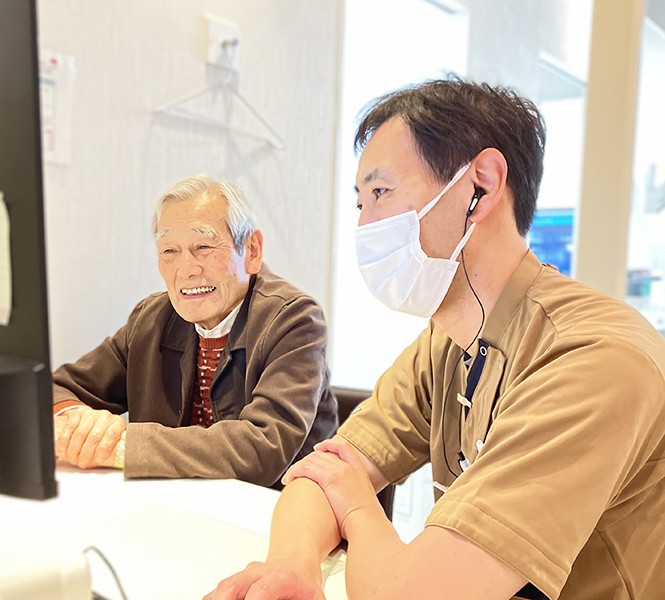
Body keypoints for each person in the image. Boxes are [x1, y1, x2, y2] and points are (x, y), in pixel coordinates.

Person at [206, 78, 665, 600]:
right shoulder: (448, 341)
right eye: (360, 203)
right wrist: (292, 566)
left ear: (481, 187)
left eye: (380, 193)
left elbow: (409, 593)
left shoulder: (594, 360)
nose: (365, 224)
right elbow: (324, 472)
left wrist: (358, 508)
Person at [52, 175, 337, 487]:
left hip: (279, 514)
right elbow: (58, 389)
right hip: (176, 508)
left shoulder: (293, 319)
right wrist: (80, 425)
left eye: (203, 246)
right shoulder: (151, 318)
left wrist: (120, 446)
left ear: (252, 250)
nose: (186, 269)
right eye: (170, 251)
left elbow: (261, 449)